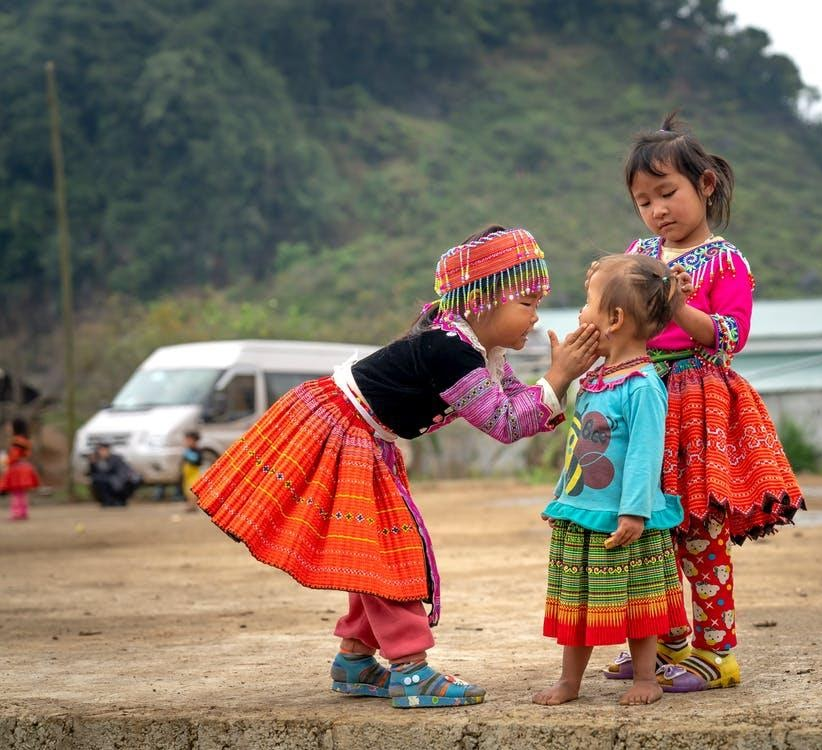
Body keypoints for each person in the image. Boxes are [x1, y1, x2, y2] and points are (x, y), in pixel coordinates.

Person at [192, 226, 599, 709]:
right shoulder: (450, 351)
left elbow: (517, 405)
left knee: (373, 549)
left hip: (355, 433)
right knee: (390, 550)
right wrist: (559, 376)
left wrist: (561, 379)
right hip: (341, 430)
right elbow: (507, 423)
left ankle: (356, 661)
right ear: (484, 300)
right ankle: (410, 670)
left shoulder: (477, 350)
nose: (534, 317)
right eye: (527, 304)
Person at [601, 113, 806, 692]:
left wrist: (671, 300)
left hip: (696, 404)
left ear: (705, 186)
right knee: (650, 529)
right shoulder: (639, 253)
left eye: (667, 193)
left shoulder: (725, 261)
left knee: (697, 531)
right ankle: (667, 646)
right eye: (644, 201)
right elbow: (621, 314)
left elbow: (726, 337)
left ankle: (718, 655)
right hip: (641, 397)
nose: (657, 210)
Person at [534, 254, 687, 707]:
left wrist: (635, 511)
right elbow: (579, 444)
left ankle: (646, 677)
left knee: (640, 604)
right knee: (579, 604)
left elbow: (644, 454)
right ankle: (569, 681)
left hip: (626, 518)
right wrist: (562, 498)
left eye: (587, 303)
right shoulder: (596, 378)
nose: (581, 314)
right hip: (586, 513)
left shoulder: (642, 385)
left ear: (615, 319)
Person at [2, 418, 40, 521]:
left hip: (17, 468)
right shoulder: (26, 439)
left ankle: (17, 513)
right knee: (22, 493)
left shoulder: (16, 440)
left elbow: (14, 455)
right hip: (25, 466)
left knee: (16, 493)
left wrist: (6, 462)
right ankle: (23, 512)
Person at [87, 443, 141, 507]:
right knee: (99, 480)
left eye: (104, 450)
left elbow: (123, 471)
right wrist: (92, 463)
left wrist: (118, 481)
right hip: (106, 484)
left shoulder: (116, 459)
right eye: (100, 450)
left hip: (119, 483)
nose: (102, 452)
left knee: (133, 480)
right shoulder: (97, 461)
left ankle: (120, 500)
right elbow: (93, 474)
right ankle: (108, 501)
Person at [180, 430, 203, 512]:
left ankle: (193, 505)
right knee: (186, 490)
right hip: (187, 474)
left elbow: (198, 461)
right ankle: (190, 504)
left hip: (194, 473)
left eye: (189, 440)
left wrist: (190, 456)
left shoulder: (197, 450)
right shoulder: (187, 450)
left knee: (192, 490)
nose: (187, 442)